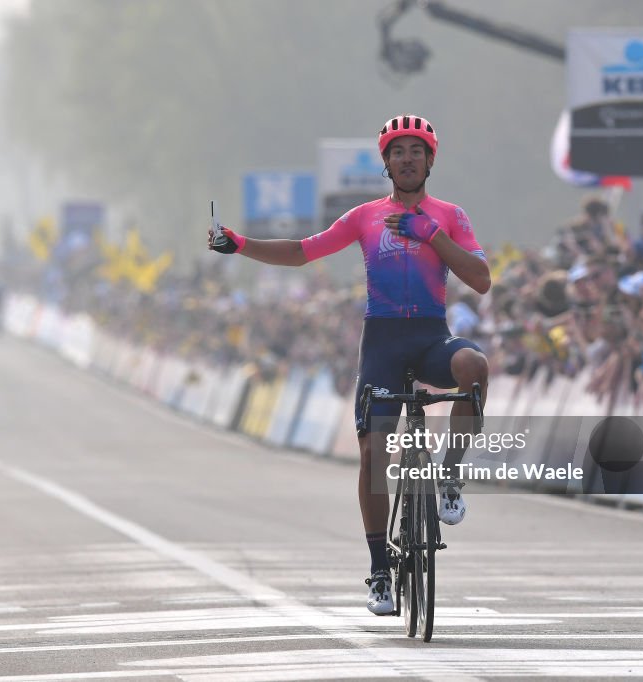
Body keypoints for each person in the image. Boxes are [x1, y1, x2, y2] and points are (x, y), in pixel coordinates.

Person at [208, 114, 490, 615]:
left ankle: (449, 479)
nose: (407, 159)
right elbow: (301, 252)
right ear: (385, 163)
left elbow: (482, 279)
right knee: (372, 455)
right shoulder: (364, 216)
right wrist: (242, 244)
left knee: (475, 365)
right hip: (381, 343)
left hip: (430, 336)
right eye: (397, 152)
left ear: (430, 160)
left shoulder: (450, 215)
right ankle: (380, 570)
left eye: (416, 151)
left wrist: (432, 235)